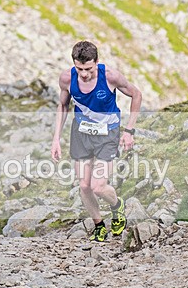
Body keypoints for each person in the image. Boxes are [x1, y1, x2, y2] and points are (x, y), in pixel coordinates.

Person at [51, 40, 142, 242]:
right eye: (79, 69)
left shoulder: (110, 76)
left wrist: (129, 130)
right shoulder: (66, 78)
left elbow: (136, 94)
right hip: (81, 133)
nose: (84, 74)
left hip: (107, 134)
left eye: (89, 69)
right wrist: (56, 138)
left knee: (98, 186)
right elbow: (63, 106)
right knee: (84, 186)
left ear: (97, 62)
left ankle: (117, 206)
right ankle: (99, 225)